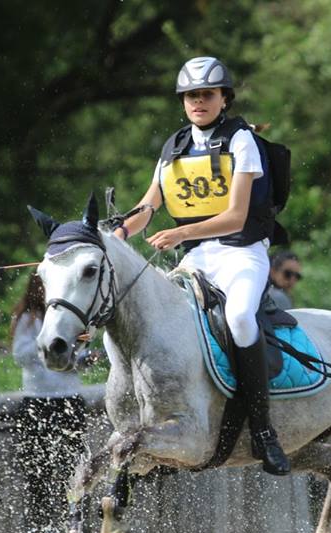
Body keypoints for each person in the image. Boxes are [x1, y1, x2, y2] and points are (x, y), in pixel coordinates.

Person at [113, 56, 289, 476]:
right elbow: (147, 207)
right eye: (192, 95)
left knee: (241, 318)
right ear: (183, 101)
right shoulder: (173, 148)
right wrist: (118, 234)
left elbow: (235, 217)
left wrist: (179, 235)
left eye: (207, 94)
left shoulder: (240, 140)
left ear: (223, 99)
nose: (199, 102)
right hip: (197, 256)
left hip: (242, 251)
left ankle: (263, 430)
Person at [10, 274, 89, 533]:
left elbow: (81, 356)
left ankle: (77, 531)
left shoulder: (71, 320)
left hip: (68, 399)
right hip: (37, 401)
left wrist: (82, 352)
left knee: (74, 469)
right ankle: (44, 532)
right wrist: (48, 344)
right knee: (39, 471)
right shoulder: (29, 320)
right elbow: (19, 355)